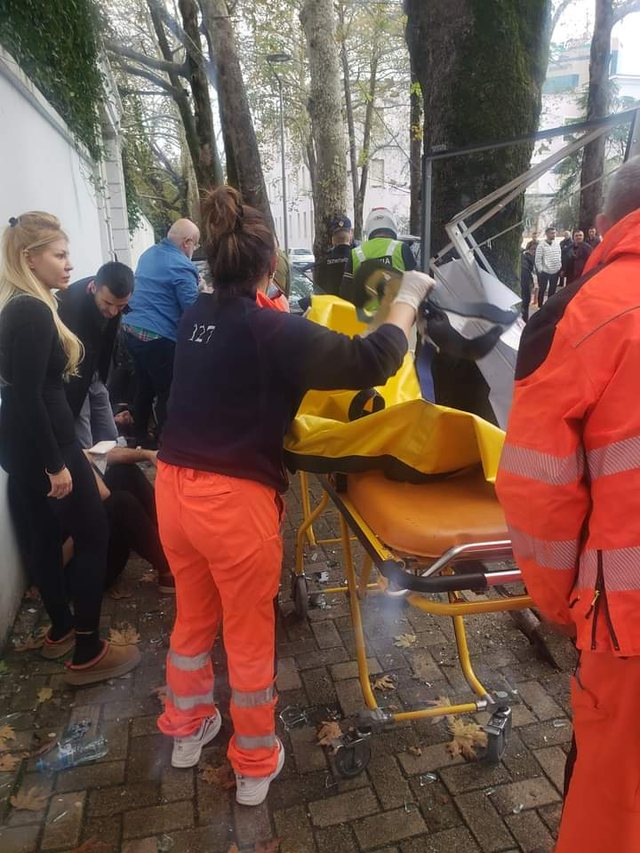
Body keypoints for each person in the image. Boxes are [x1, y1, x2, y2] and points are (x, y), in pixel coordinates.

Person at [154, 186, 434, 805]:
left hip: (172, 491)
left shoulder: (195, 317)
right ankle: (255, 763)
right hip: (233, 504)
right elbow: (372, 359)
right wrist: (409, 296)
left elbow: (239, 352)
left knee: (194, 616)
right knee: (248, 632)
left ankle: (185, 728)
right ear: (270, 261)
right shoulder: (272, 329)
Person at [496, 155, 640, 853]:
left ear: (606, 224)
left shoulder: (583, 313)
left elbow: (538, 489)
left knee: (612, 809)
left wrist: (562, 607)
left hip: (628, 623)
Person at [0, 212, 140, 684]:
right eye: (59, 255)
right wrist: (56, 463)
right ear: (29, 258)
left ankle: (60, 629)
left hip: (25, 445)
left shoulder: (19, 303)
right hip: (48, 446)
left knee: (43, 536)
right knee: (94, 532)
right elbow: (27, 395)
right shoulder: (33, 311)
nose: (69, 264)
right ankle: (88, 649)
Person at [122, 219, 200, 447]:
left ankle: (139, 436)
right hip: (158, 336)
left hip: (130, 329)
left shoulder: (148, 254)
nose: (194, 250)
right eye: (195, 245)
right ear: (187, 242)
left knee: (144, 384)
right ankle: (168, 443)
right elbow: (191, 309)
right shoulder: (182, 265)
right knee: (169, 391)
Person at [57, 261, 134, 449]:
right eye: (107, 303)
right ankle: (86, 465)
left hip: (94, 371)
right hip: (71, 376)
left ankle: (108, 462)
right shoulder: (67, 306)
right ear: (93, 288)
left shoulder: (114, 299)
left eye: (121, 306)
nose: (113, 311)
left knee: (108, 432)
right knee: (82, 434)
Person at [341, 207, 416, 304]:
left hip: (363, 313)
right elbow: (416, 286)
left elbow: (345, 292)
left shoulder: (355, 253)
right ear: (392, 226)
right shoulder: (402, 248)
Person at [534, 226, 562, 307]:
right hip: (545, 271)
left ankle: (549, 306)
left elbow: (559, 256)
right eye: (552, 233)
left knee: (552, 290)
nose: (554, 235)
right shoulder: (541, 245)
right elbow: (538, 259)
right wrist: (540, 270)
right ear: (547, 234)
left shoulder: (557, 244)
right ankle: (540, 305)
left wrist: (559, 266)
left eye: (554, 233)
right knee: (542, 289)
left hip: (555, 271)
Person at [519, 241, 536, 322]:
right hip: (525, 282)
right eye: (533, 249)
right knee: (525, 302)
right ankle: (524, 320)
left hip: (527, 281)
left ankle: (524, 320)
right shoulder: (526, 258)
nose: (534, 251)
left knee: (525, 302)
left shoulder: (528, 258)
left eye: (536, 250)